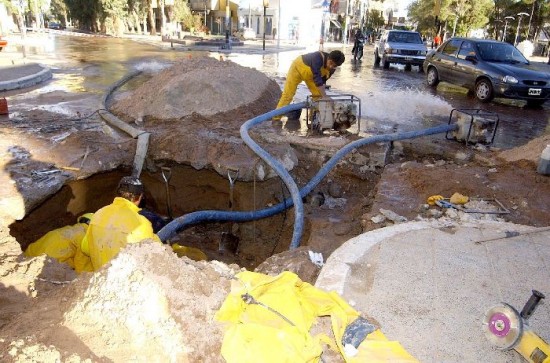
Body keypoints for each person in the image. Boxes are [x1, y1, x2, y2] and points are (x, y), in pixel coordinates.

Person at [78, 176, 161, 273]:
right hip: (125, 283)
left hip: (100, 280)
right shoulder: (141, 224)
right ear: (140, 197)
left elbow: (85, 248)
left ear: (118, 193)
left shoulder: (98, 214)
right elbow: (156, 255)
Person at [275, 50, 345, 111]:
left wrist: (323, 96)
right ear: (328, 57)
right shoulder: (318, 57)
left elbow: (323, 82)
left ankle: (315, 119)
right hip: (297, 69)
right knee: (288, 94)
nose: (331, 66)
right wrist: (325, 96)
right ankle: (276, 118)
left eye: (334, 65)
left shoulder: (332, 69)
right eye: (330, 63)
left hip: (310, 76)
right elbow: (317, 78)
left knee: (318, 96)